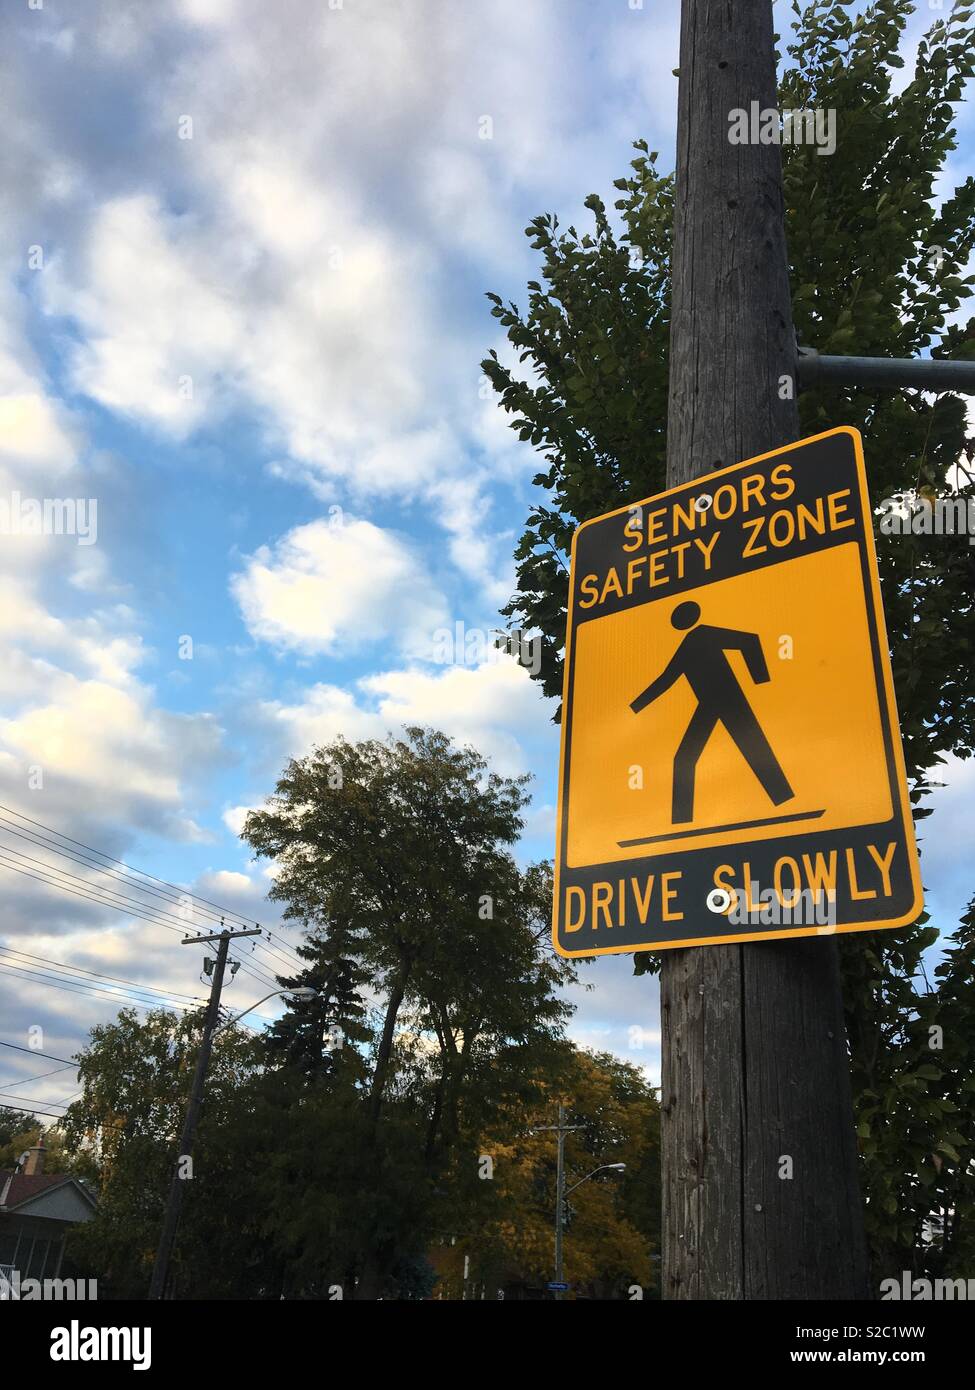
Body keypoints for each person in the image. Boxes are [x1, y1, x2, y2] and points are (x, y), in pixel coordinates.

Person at [630, 600, 794, 824]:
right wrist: (635, 707)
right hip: (708, 703)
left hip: (730, 699)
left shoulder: (704, 635)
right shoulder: (687, 645)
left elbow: (748, 640)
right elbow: (667, 680)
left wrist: (760, 679)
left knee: (754, 747)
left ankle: (784, 798)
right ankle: (681, 821)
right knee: (685, 759)